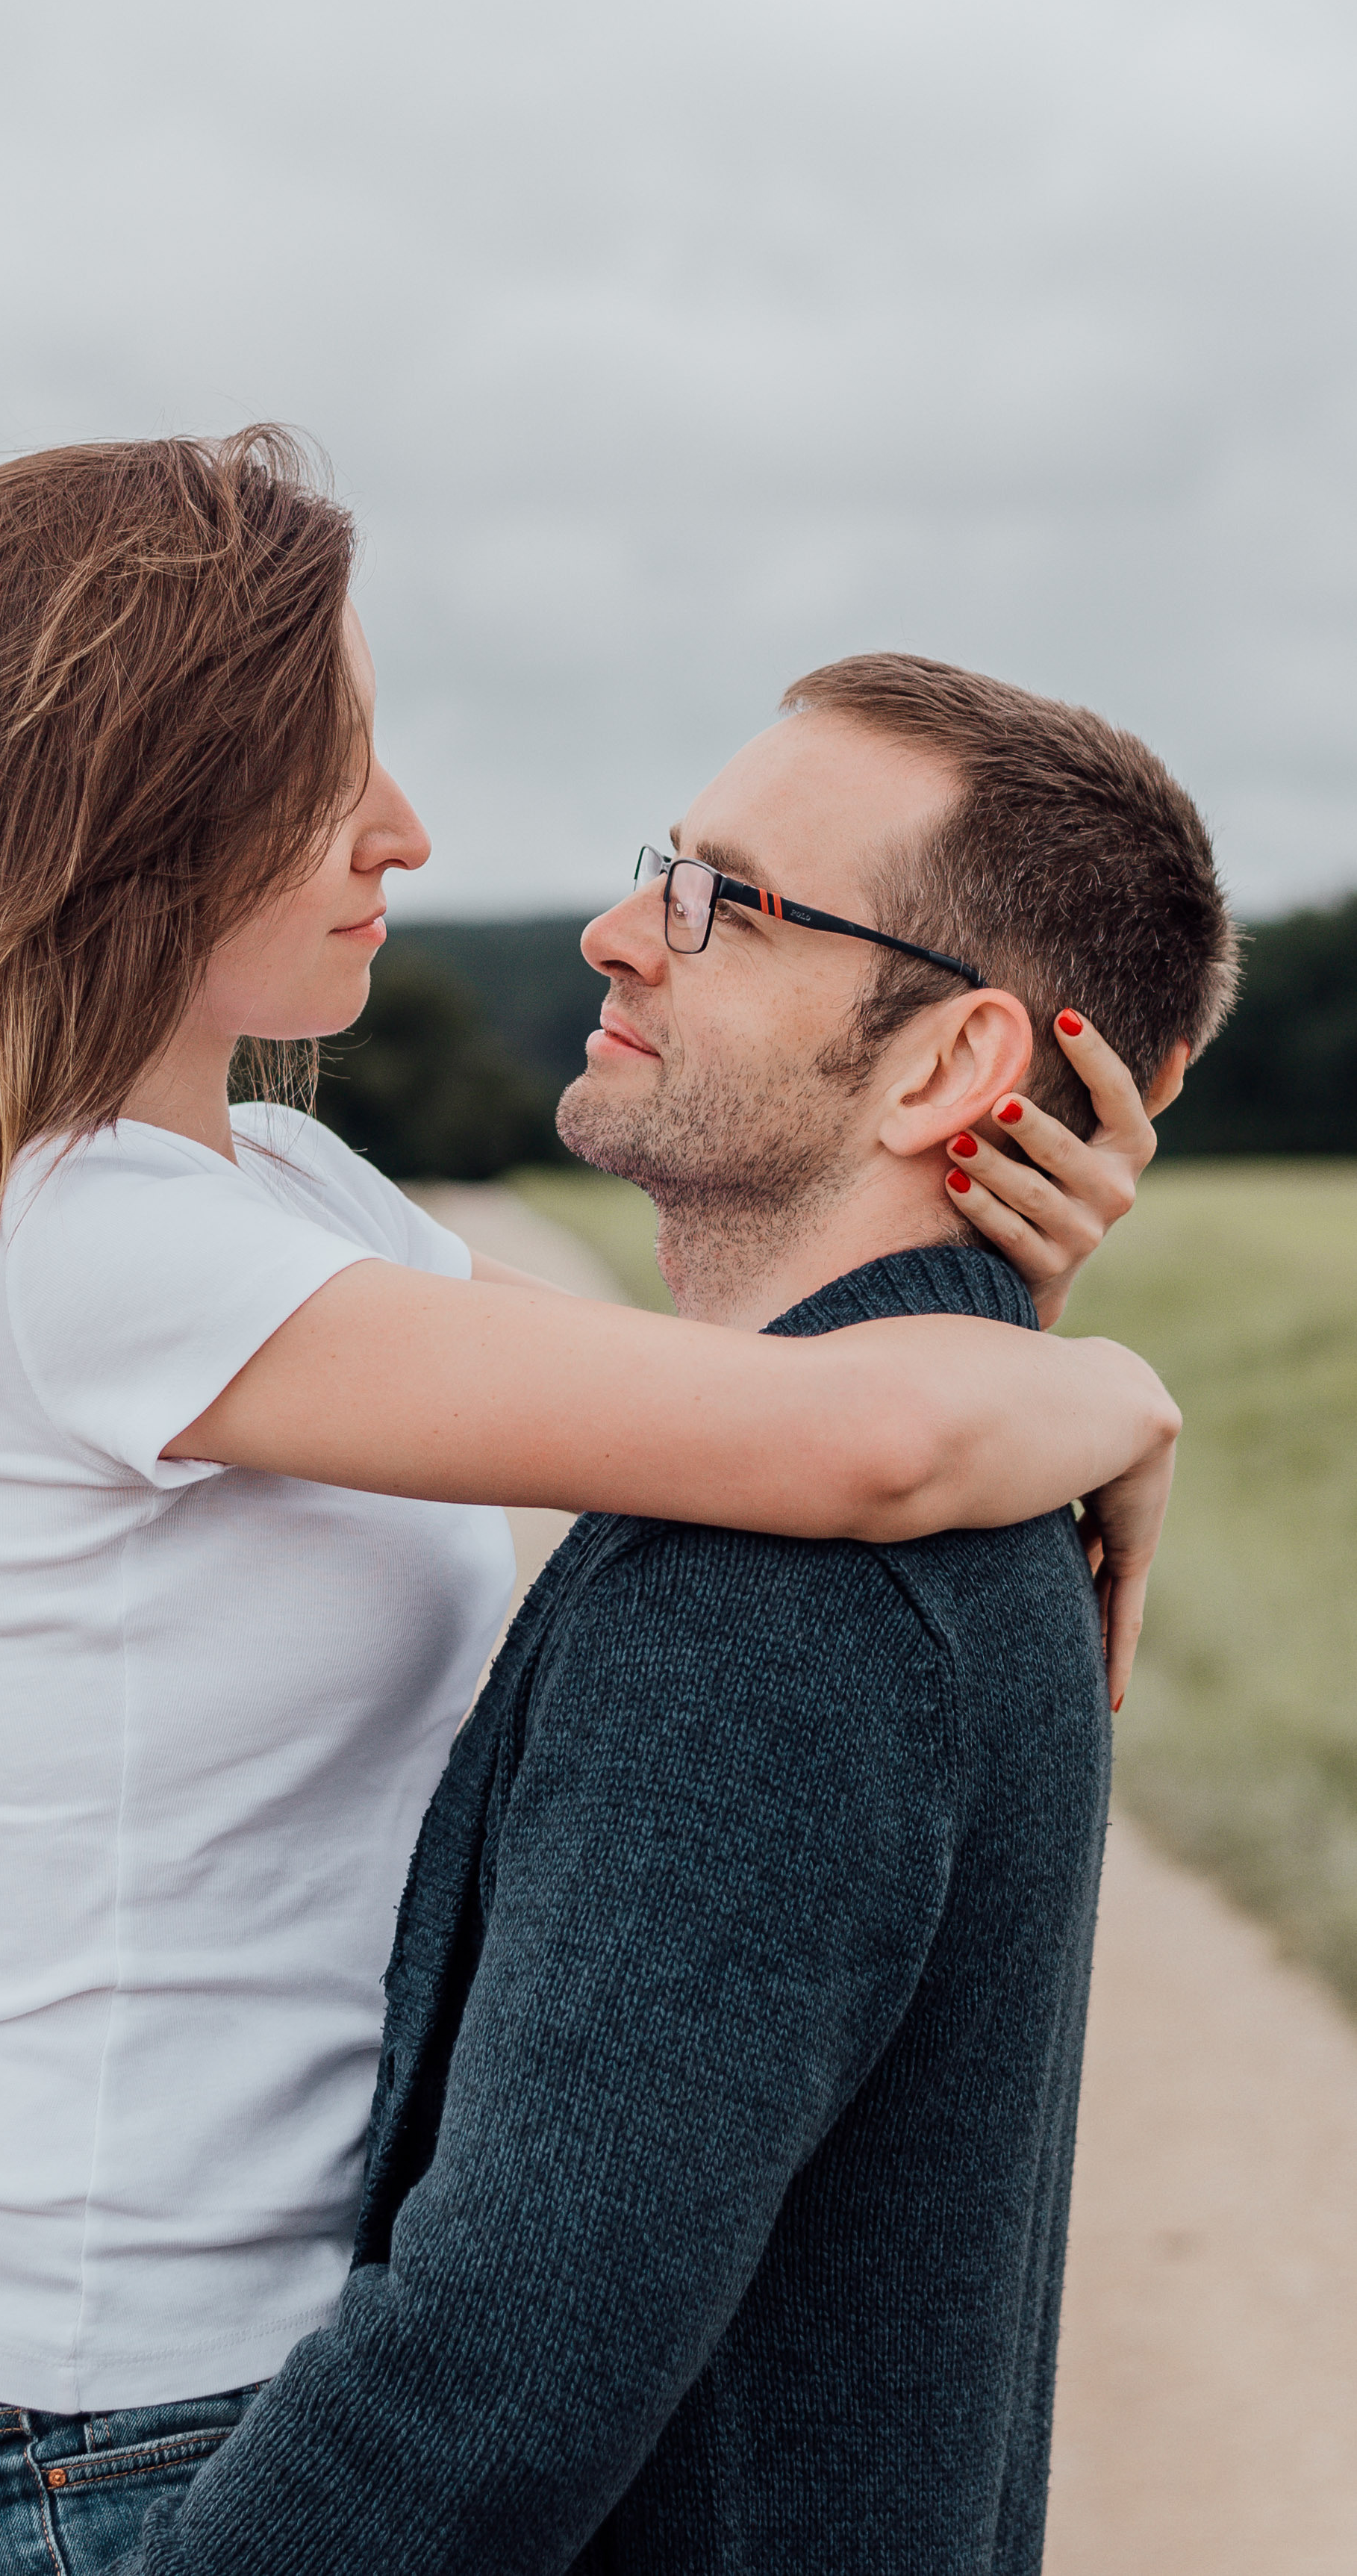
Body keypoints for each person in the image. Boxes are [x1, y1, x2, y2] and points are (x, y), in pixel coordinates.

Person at [0, 438, 1177, 2576]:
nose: (407, 832)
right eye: (331, 771)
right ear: (139, 804)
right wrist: (1116, 1384)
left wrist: (995, 1273)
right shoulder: (89, 1250)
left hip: (203, 2394)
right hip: (66, 2432)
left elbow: (728, 1382)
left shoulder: (291, 1191)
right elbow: (850, 1443)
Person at [96, 651, 1234, 2576]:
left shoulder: (773, 1592)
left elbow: (493, 2379)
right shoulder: (969, 1478)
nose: (627, 931)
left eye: (724, 901)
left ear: (952, 1065)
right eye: (661, 868)